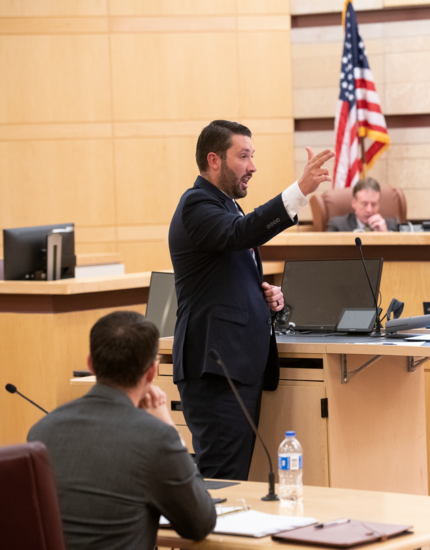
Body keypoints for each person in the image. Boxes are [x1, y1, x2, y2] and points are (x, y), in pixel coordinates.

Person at [168, 120, 333, 480]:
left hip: (234, 364)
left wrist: (262, 296)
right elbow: (241, 234)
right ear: (214, 160)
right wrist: (298, 191)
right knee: (222, 479)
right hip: (215, 366)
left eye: (252, 156)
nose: (253, 167)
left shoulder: (225, 206)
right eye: (243, 156)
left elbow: (226, 268)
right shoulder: (196, 203)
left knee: (232, 477)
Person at [28, 311, 216, 549]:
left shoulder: (41, 431)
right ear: (151, 372)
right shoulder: (157, 437)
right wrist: (166, 422)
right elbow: (201, 523)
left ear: (90, 364)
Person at [326, 177, 400, 232]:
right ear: (354, 203)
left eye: (374, 204)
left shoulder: (392, 226)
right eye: (364, 204)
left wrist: (385, 236)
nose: (369, 210)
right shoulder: (338, 225)